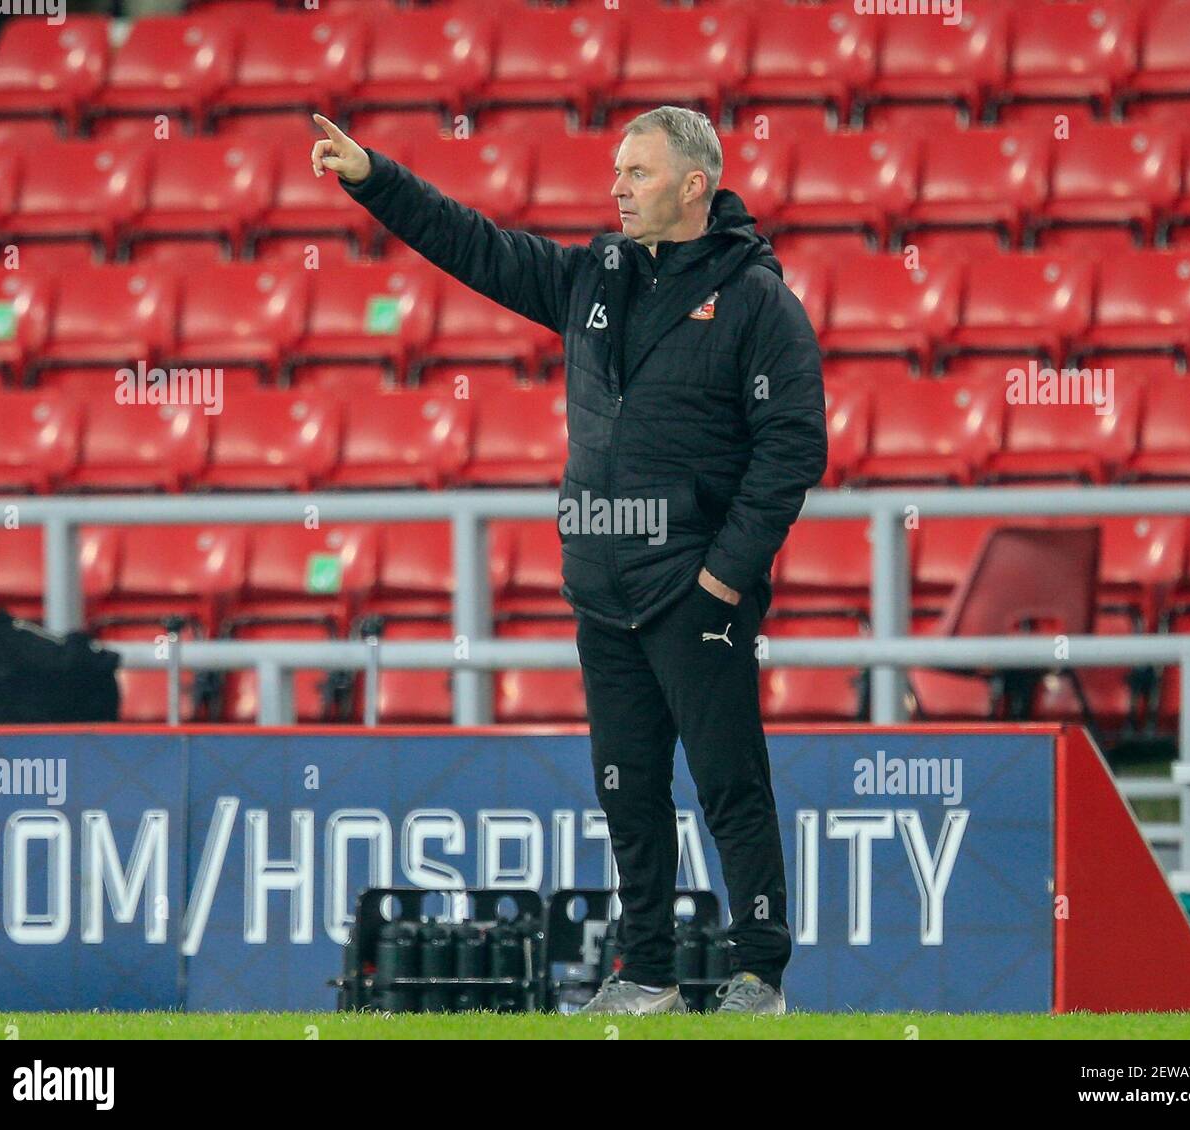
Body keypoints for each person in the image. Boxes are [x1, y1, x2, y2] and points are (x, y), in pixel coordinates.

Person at [312, 106, 827, 1014]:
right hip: (602, 586)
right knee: (628, 792)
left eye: (638, 171)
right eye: (616, 170)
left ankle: (760, 974)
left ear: (695, 185)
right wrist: (373, 178)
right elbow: (473, 245)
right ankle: (647, 973)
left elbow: (792, 450)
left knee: (728, 781)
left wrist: (723, 577)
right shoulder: (593, 274)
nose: (617, 186)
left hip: (694, 586)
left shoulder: (757, 300)